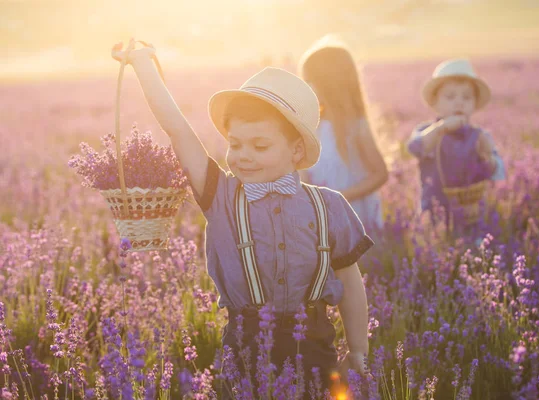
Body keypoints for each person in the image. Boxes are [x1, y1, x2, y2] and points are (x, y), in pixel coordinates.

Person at [112, 39, 372, 397]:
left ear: (296, 150)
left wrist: (358, 350)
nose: (243, 156)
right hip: (244, 345)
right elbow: (178, 130)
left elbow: (350, 284)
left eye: (260, 146)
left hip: (314, 345)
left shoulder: (330, 206)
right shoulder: (220, 196)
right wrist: (143, 64)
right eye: (235, 144)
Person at [299, 35, 389, 232]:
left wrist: (343, 196)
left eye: (309, 80)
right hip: (322, 214)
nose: (305, 87)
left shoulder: (356, 127)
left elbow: (380, 174)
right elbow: (304, 170)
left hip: (355, 214)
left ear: (328, 84)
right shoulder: (314, 126)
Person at [407, 58, 506, 225]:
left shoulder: (479, 136)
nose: (459, 102)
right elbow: (415, 148)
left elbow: (497, 171)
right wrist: (441, 128)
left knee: (474, 244)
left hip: (471, 215)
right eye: (450, 97)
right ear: (435, 104)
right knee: (436, 245)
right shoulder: (429, 131)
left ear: (474, 104)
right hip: (433, 211)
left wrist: (488, 156)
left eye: (467, 97)